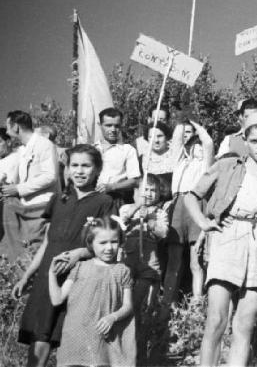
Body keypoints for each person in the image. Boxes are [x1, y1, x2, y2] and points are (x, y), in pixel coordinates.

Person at [184, 112, 257, 366]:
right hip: (228, 238)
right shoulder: (226, 166)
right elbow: (192, 196)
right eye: (255, 141)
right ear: (245, 139)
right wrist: (203, 223)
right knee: (216, 319)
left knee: (245, 322)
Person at [12, 144, 115, 367]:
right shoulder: (58, 200)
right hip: (47, 276)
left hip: (79, 279)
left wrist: (81, 252)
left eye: (86, 166)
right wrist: (27, 275)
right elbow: (47, 241)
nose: (79, 171)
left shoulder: (104, 203)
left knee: (74, 340)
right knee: (41, 335)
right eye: (74, 165)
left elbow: (108, 246)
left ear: (97, 169)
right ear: (67, 169)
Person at [48, 216, 135, 366]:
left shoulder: (122, 271)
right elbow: (57, 299)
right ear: (90, 243)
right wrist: (51, 273)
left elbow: (128, 306)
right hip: (77, 336)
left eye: (114, 242)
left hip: (104, 336)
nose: (109, 248)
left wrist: (112, 317)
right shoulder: (80, 268)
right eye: (102, 243)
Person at [119, 174, 169, 364]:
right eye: (144, 189)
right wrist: (134, 211)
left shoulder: (160, 212)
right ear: (135, 193)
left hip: (149, 268)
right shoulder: (127, 207)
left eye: (152, 190)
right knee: (126, 308)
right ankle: (122, 354)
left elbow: (163, 233)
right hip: (127, 265)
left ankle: (140, 356)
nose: (148, 194)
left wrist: (149, 220)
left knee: (145, 311)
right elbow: (119, 225)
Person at [1, 110, 59, 262]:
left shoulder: (44, 144)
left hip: (42, 207)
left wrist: (18, 189)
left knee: (37, 250)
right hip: (26, 208)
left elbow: (50, 176)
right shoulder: (23, 149)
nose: (7, 131)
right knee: (27, 249)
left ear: (16, 127)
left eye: (8, 126)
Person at [169, 118, 214, 303]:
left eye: (199, 146)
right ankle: (167, 303)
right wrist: (182, 119)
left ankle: (197, 303)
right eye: (194, 146)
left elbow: (209, 143)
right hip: (178, 205)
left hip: (196, 205)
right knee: (174, 260)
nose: (198, 149)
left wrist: (196, 125)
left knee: (196, 261)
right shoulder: (179, 162)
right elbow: (177, 139)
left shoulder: (206, 166)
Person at [94, 107, 140, 206]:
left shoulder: (128, 150)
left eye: (117, 126)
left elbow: (134, 181)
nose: (113, 130)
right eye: (108, 125)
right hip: (92, 198)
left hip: (116, 200)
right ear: (100, 125)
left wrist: (111, 187)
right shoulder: (91, 149)